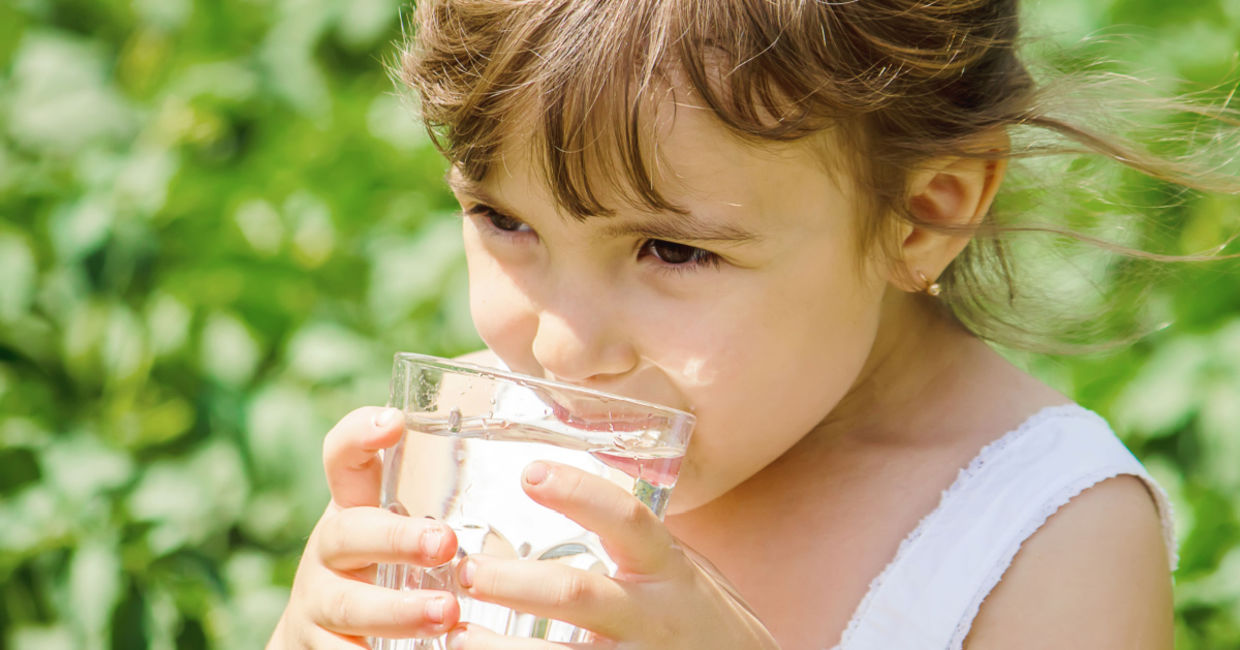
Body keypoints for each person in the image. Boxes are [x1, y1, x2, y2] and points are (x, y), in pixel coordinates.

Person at [268, 1, 1235, 648]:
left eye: (673, 251)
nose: (562, 349)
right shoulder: (473, 455)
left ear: (928, 211)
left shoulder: (1050, 538)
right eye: (504, 221)